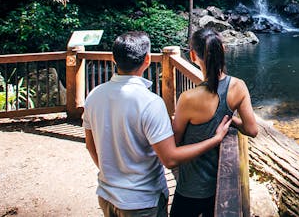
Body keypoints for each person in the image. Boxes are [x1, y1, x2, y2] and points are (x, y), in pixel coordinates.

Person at [83, 31, 231, 217]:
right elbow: (169, 159)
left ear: (114, 59)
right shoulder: (151, 103)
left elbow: (90, 145)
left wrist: (112, 177)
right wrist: (215, 139)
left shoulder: (94, 95)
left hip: (106, 196)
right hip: (143, 201)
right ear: (147, 60)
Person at [170, 28, 258, 217]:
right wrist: (229, 117)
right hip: (220, 184)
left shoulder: (187, 98)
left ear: (193, 55)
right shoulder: (238, 86)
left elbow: (174, 143)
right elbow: (252, 130)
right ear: (223, 49)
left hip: (190, 188)